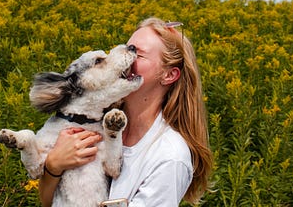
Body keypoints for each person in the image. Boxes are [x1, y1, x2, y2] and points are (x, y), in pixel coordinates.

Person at [39, 17, 213, 206]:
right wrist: (53, 167)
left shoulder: (169, 157)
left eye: (139, 54)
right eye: (128, 47)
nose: (126, 56)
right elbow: (49, 201)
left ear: (169, 75)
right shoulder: (93, 119)